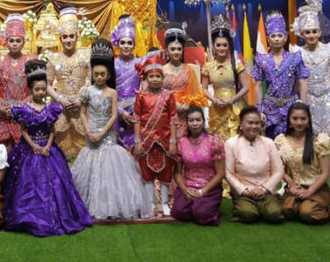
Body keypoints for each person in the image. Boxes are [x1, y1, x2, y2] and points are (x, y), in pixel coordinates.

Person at [3, 59, 92, 236]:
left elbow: (52, 129)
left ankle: (59, 215)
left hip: (48, 148)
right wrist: (35, 146)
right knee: (29, 183)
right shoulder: (24, 108)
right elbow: (23, 131)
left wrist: (48, 145)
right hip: (29, 149)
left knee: (57, 183)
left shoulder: (50, 108)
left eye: (44, 89)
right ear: (31, 89)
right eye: (37, 89)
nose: (41, 92)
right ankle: (30, 217)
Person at [72, 39, 152, 221]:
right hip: (91, 133)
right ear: (92, 73)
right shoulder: (86, 91)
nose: (99, 77)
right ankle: (88, 205)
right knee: (91, 168)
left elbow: (114, 115)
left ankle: (110, 206)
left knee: (109, 170)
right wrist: (88, 131)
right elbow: (82, 113)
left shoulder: (112, 92)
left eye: (102, 74)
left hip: (107, 134)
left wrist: (102, 132)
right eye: (96, 74)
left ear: (108, 75)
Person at [292, 0, 330, 143]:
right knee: (311, 139)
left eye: (314, 31)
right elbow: (297, 82)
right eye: (307, 32)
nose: (311, 35)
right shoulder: (297, 52)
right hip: (308, 100)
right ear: (302, 34)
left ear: (320, 32)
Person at [252, 12, 309, 139]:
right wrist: (259, 109)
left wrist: (304, 108)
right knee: (271, 143)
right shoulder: (262, 60)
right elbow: (258, 86)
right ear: (268, 39)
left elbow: (302, 83)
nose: (276, 38)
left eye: (280, 35)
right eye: (273, 36)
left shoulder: (295, 58)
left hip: (291, 106)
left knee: (293, 140)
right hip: (270, 108)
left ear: (285, 37)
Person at [133, 54, 178, 216]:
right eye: (151, 76)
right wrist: (137, 141)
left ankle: (165, 203)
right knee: (147, 174)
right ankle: (150, 204)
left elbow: (173, 118)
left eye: (157, 76)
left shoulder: (168, 95)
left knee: (166, 173)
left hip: (165, 140)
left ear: (162, 77)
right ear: (146, 78)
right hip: (146, 141)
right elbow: (136, 119)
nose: (154, 79)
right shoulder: (141, 95)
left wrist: (173, 141)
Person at [224, 106, 284, 224]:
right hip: (244, 191)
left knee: (274, 214)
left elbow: (278, 171)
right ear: (241, 123)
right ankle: (245, 207)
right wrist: (244, 190)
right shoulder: (231, 144)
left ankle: (263, 207)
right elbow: (228, 173)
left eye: (257, 123)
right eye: (250, 123)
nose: (254, 126)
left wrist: (264, 189)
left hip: (266, 190)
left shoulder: (269, 143)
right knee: (249, 214)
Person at [275, 102, 330, 224]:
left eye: (303, 119)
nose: (299, 122)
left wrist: (309, 191)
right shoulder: (281, 140)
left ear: (309, 120)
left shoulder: (319, 140)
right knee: (286, 210)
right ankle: (298, 204)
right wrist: (291, 184)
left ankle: (321, 207)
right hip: (294, 188)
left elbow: (325, 173)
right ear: (289, 120)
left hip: (316, 188)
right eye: (295, 118)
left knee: (307, 213)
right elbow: (281, 170)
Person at [46, 6, 90, 159]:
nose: (68, 40)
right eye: (65, 37)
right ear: (60, 38)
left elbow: (91, 81)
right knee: (61, 149)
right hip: (61, 109)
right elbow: (47, 84)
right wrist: (61, 99)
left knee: (83, 149)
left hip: (82, 108)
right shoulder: (53, 58)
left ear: (77, 36)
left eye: (71, 36)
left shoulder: (86, 56)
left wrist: (81, 99)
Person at [0, 14, 35, 150]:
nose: (14, 43)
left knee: (25, 148)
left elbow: (35, 86)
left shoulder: (30, 61)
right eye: (11, 40)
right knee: (7, 149)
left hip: (25, 109)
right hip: (4, 111)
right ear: (6, 41)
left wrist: (28, 102)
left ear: (23, 42)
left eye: (18, 40)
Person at [171, 106, 225, 225]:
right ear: (186, 123)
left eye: (198, 120)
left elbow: (221, 173)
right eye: (191, 120)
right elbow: (178, 173)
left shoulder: (214, 141)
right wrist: (184, 190)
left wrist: (202, 191)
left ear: (203, 121)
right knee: (178, 212)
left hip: (209, 187)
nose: (195, 123)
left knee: (202, 214)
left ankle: (205, 208)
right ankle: (197, 206)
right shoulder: (181, 142)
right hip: (188, 186)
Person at [202, 15, 249, 142]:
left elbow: (246, 87)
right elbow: (204, 89)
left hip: (234, 108)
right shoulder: (208, 66)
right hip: (216, 109)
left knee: (234, 143)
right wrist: (214, 100)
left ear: (228, 46)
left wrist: (232, 100)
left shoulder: (236, 64)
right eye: (218, 45)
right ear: (213, 47)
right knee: (217, 143)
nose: (221, 48)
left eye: (224, 45)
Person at [162, 22, 206, 137]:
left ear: (182, 51)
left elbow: (197, 95)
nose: (176, 52)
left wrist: (187, 104)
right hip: (167, 114)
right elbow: (158, 94)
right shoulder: (161, 70)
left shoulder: (189, 69)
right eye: (172, 49)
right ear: (167, 51)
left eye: (178, 49)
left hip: (187, 115)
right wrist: (172, 104)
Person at [111, 15, 145, 150]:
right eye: (123, 42)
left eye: (129, 42)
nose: (126, 46)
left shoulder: (140, 63)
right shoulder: (112, 64)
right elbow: (109, 91)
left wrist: (135, 112)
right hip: (116, 112)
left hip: (136, 112)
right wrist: (121, 112)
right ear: (117, 44)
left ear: (134, 45)